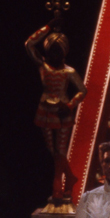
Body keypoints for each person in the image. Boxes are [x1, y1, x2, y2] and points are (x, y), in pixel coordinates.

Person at [25, 18, 87, 204]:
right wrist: (48, 27)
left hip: (63, 113)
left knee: (60, 149)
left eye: (58, 50)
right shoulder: (43, 66)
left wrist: (69, 106)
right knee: (52, 150)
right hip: (45, 110)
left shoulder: (69, 71)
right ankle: (70, 177)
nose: (55, 54)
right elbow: (29, 44)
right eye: (52, 50)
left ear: (65, 52)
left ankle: (57, 187)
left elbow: (82, 90)